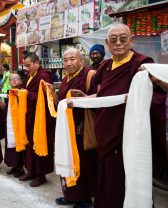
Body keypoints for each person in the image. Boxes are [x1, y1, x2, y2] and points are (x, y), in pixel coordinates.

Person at [71, 23, 165, 208]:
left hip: (130, 136)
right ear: (107, 43)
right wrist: (86, 98)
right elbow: (103, 95)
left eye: (123, 39)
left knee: (131, 182)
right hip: (107, 134)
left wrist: (139, 95)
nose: (119, 43)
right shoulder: (105, 66)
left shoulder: (142, 64)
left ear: (131, 40)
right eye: (113, 40)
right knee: (108, 183)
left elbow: (158, 96)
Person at [45, 48, 97, 208]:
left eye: (72, 59)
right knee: (66, 161)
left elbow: (101, 97)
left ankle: (84, 198)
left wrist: (85, 98)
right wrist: (51, 93)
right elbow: (60, 102)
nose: (68, 63)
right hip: (66, 129)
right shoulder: (66, 79)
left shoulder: (90, 75)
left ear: (81, 60)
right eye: (65, 60)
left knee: (83, 164)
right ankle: (70, 195)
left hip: (82, 129)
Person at [19, 51, 55, 187]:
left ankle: (41, 175)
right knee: (30, 144)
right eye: (25, 66)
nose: (26, 69)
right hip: (30, 115)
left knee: (40, 143)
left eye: (28, 66)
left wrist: (28, 94)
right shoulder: (30, 76)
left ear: (37, 63)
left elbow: (47, 96)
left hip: (41, 117)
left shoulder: (44, 76)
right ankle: (32, 171)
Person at [0, 73, 25, 178]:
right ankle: (14, 166)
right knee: (10, 145)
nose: (13, 81)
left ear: (21, 81)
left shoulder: (22, 92)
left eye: (16, 79)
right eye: (11, 80)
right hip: (9, 123)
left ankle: (20, 167)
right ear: (9, 82)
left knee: (18, 144)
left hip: (18, 123)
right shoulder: (9, 93)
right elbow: (4, 107)